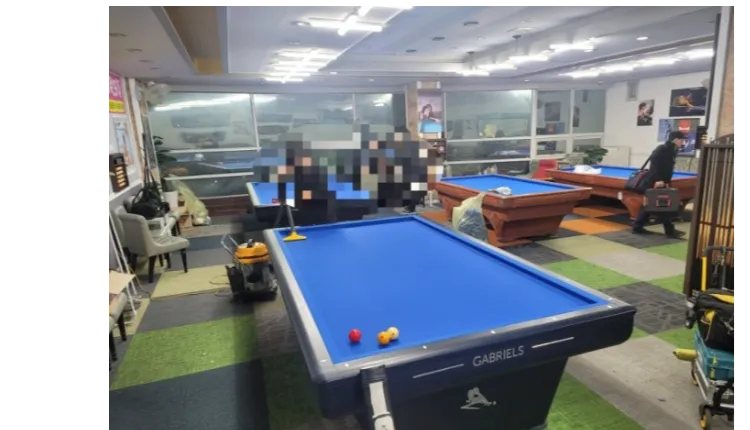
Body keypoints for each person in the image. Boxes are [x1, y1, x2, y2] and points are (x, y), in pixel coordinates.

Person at [632, 131, 687, 238]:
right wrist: (658, 180)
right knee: (662, 205)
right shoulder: (663, 149)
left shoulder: (671, 149)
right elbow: (655, 165)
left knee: (654, 204)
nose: (682, 142)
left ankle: (638, 226)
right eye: (681, 140)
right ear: (675, 139)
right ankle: (669, 230)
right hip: (656, 181)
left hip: (662, 181)